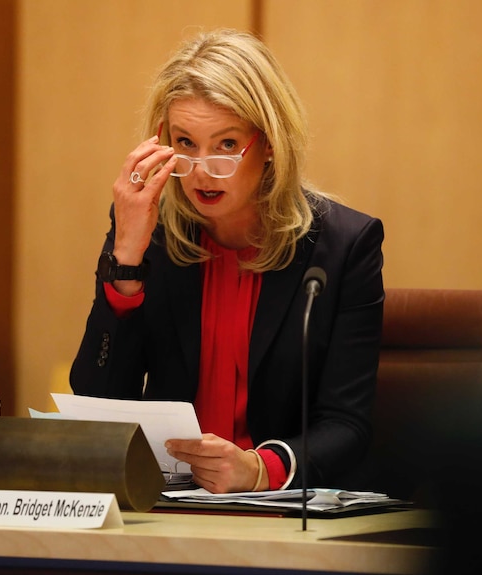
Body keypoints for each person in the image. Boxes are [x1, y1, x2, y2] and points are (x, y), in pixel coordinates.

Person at [70, 29, 384, 494]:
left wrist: (261, 470)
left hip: (281, 506)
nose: (200, 170)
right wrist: (127, 260)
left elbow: (346, 424)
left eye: (226, 145)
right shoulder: (146, 232)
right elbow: (98, 400)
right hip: (168, 502)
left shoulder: (342, 246)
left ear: (271, 142)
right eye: (185, 143)